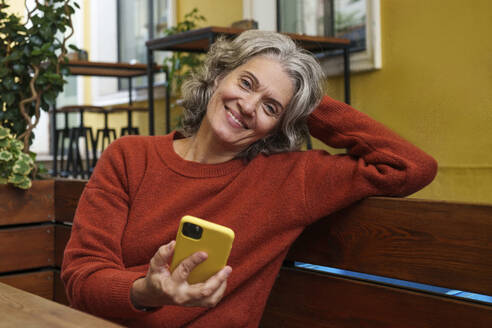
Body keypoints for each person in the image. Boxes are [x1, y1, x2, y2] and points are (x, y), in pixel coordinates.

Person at [61, 30, 437, 328]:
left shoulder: (291, 179)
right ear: (218, 75)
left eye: (271, 107)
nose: (248, 106)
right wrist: (146, 290)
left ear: (280, 124)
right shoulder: (129, 156)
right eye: (246, 83)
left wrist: (304, 95)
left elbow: (409, 166)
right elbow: (82, 277)